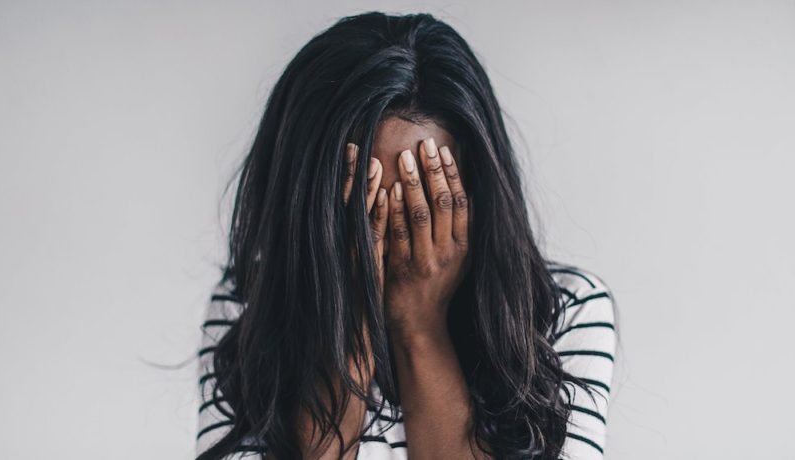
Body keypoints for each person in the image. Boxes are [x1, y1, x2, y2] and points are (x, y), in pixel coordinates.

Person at [195, 11, 616, 460]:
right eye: (368, 203)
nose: (394, 233)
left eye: (422, 206)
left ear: (473, 192)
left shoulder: (562, 312)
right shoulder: (251, 306)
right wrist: (346, 332)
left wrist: (420, 327)